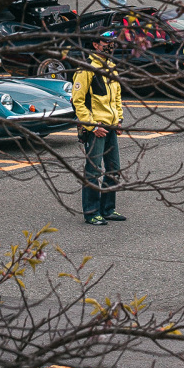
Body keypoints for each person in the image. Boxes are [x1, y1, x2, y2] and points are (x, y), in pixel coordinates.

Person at [71, 32, 125, 226]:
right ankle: (92, 212)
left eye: (112, 42)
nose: (110, 45)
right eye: (106, 42)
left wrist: (119, 119)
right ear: (95, 44)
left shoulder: (111, 67)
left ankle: (107, 209)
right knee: (94, 171)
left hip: (110, 126)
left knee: (114, 170)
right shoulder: (86, 69)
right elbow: (77, 100)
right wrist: (91, 126)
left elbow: (117, 96)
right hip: (96, 128)